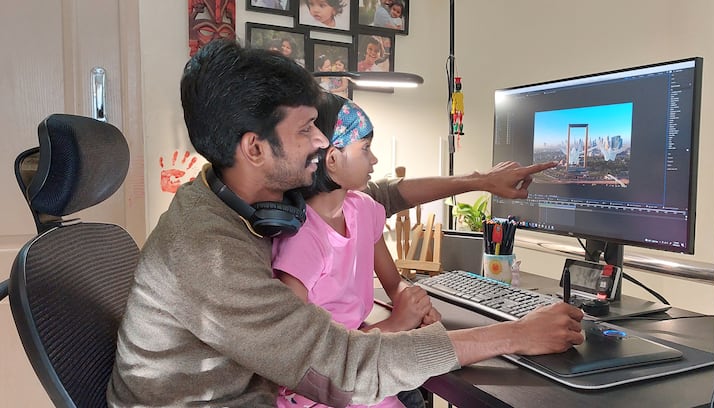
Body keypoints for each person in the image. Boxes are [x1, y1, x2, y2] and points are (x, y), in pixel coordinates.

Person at [107, 39, 583, 407]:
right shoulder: (207, 253)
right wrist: (515, 334)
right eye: (305, 130)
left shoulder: (250, 191)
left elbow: (382, 197)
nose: (321, 141)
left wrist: (482, 180)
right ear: (254, 148)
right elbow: (343, 368)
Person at [272, 93, 441, 408]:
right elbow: (296, 352)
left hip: (359, 362)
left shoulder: (363, 209)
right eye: (365, 149)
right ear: (333, 159)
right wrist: (394, 324)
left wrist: (411, 299)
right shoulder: (303, 239)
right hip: (317, 389)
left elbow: (394, 282)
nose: (374, 160)